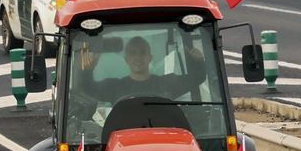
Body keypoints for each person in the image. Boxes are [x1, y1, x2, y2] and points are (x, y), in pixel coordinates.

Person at [79, 35, 208, 104]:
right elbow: (87, 88)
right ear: (126, 59)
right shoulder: (115, 87)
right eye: (133, 53)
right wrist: (87, 71)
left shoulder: (166, 83)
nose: (138, 57)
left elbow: (197, 77)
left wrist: (198, 61)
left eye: (142, 53)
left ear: (150, 57)